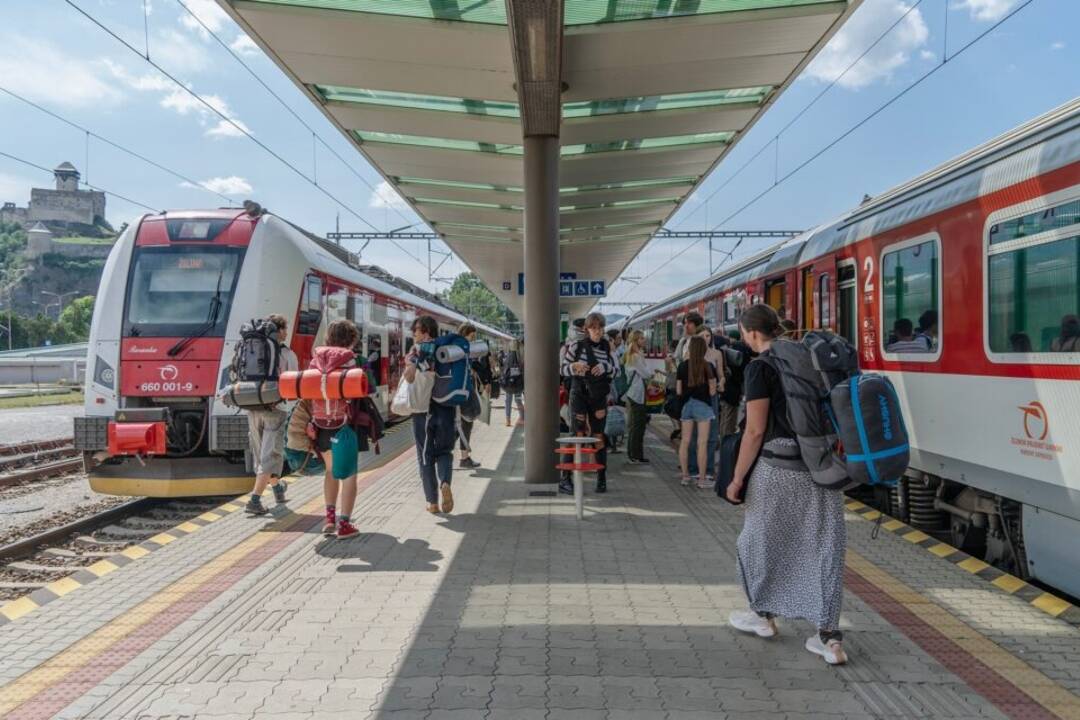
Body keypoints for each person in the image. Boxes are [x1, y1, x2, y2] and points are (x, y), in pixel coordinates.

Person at [726, 303, 847, 666]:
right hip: (822, 466)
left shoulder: (759, 367)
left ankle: (762, 614)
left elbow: (755, 430)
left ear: (751, 333)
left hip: (777, 469)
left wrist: (737, 478)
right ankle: (829, 637)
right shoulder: (811, 359)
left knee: (759, 540)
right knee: (824, 546)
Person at [310, 320, 363, 538]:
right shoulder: (351, 360)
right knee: (349, 475)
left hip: (320, 426)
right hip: (344, 426)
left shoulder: (316, 360)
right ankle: (345, 525)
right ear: (351, 339)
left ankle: (329, 520)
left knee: (331, 471)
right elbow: (361, 391)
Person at [243, 314, 299, 516]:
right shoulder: (287, 354)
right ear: (280, 331)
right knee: (271, 454)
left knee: (261, 453)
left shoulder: (250, 347)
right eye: (285, 328)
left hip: (252, 404)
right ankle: (254, 500)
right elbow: (293, 386)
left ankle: (277, 489)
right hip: (275, 409)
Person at [560, 312, 617, 495]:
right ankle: (565, 479)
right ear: (587, 329)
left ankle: (602, 479)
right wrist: (574, 367)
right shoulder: (576, 346)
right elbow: (562, 369)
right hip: (579, 394)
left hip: (598, 396)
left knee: (599, 436)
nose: (598, 332)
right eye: (594, 328)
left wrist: (606, 367)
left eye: (600, 328)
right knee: (576, 434)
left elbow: (616, 370)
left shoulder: (608, 347)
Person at [405, 315, 455, 515]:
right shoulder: (447, 351)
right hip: (446, 408)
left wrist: (408, 369)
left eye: (415, 330)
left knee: (425, 455)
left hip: (423, 411)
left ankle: (432, 502)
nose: (413, 334)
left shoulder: (417, 350)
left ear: (425, 331)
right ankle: (444, 482)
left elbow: (409, 377)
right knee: (444, 451)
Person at [676, 335, 718, 488]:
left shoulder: (682, 366)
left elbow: (679, 390)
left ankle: (685, 476)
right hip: (703, 407)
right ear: (703, 349)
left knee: (685, 442)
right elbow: (713, 392)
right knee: (702, 443)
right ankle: (701, 479)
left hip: (686, 406)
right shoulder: (708, 366)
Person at [457, 323, 492, 470]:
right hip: (463, 393)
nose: (472, 340)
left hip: (460, 392)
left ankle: (459, 457)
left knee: (460, 425)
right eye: (471, 337)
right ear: (465, 334)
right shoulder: (461, 350)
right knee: (466, 424)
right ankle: (464, 458)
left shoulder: (458, 350)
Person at [621, 329, 650, 464]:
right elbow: (646, 374)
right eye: (641, 338)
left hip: (634, 393)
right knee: (638, 425)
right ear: (636, 341)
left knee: (636, 424)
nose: (644, 340)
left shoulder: (631, 355)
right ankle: (635, 454)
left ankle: (635, 453)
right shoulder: (636, 357)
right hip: (637, 393)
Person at [501, 338, 525, 426]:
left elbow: (504, 368)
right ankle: (522, 418)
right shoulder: (521, 355)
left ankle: (508, 420)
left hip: (509, 382)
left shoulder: (508, 355)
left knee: (508, 400)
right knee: (518, 399)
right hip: (518, 382)